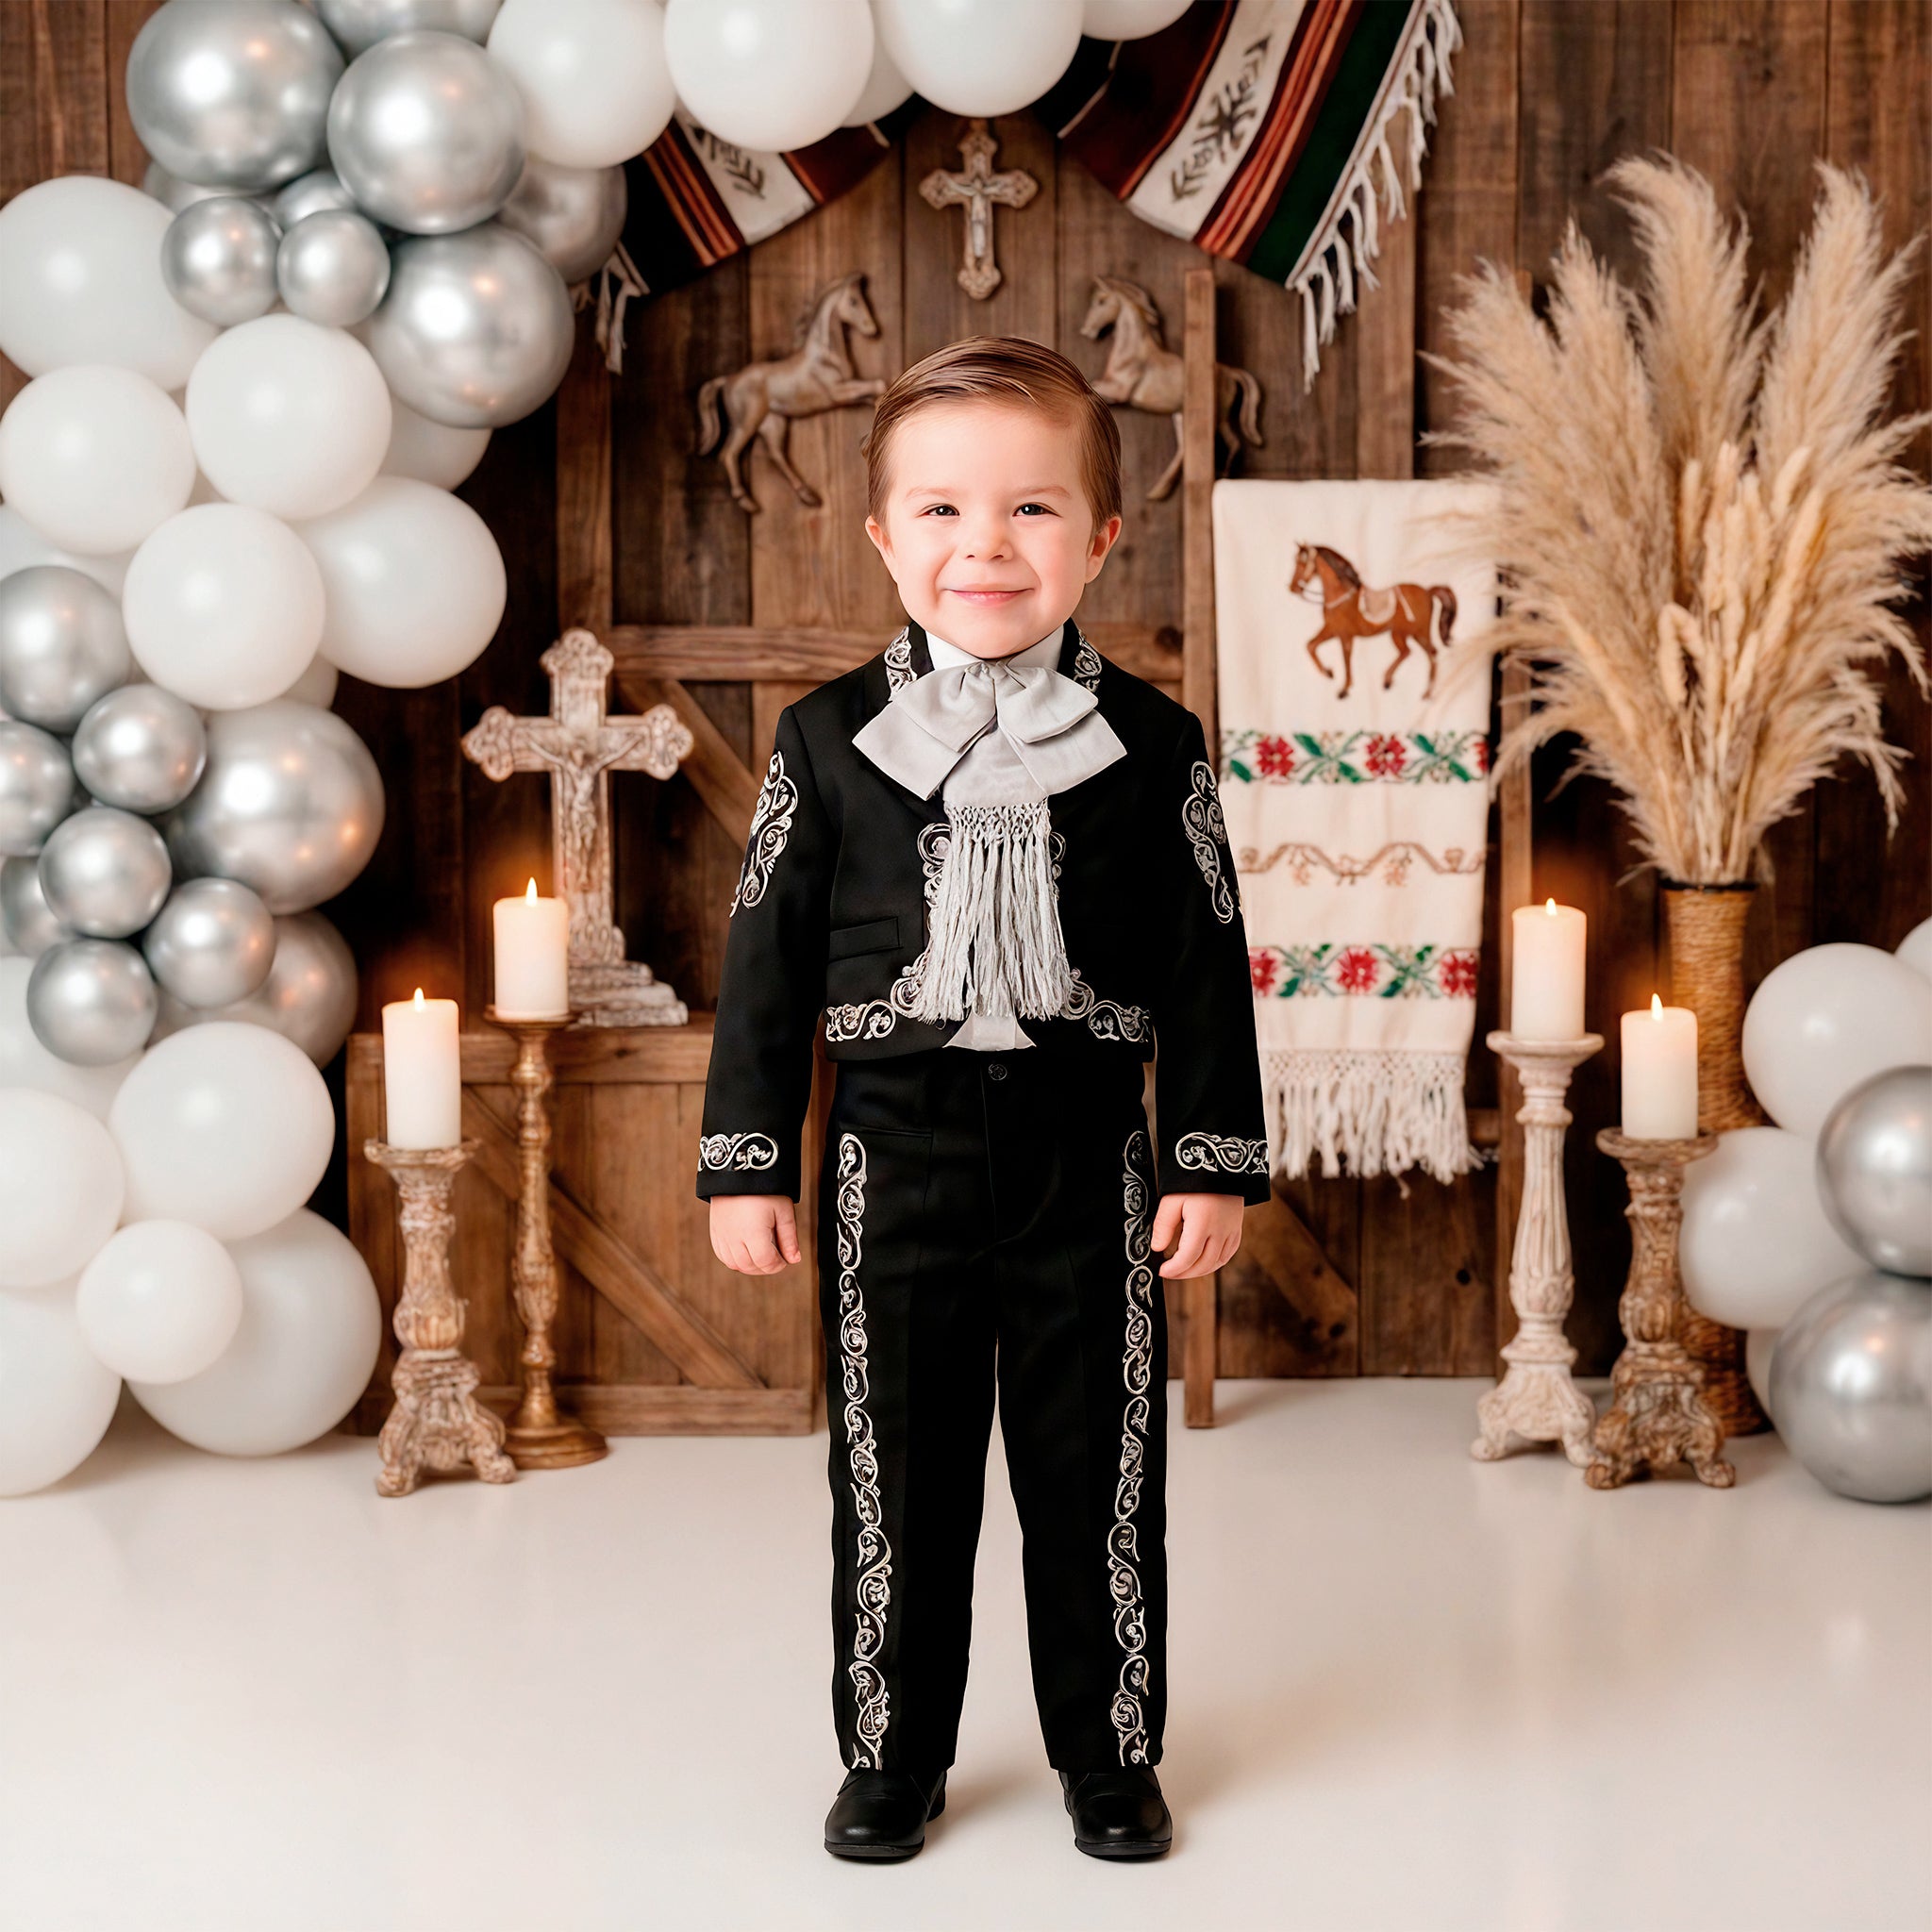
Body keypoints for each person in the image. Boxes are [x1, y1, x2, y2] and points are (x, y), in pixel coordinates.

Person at [696, 337, 1269, 1863]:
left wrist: (1207, 1159)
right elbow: (765, 961)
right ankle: (891, 1753)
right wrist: (748, 1162)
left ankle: (1110, 1751)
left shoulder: (1157, 745)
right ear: (885, 540)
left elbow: (1205, 960)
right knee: (897, 1471)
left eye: (1031, 508)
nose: (987, 547)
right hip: (894, 1160)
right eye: (942, 511)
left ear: (1102, 536)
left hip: (1092, 1157)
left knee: (1100, 1472)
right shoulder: (826, 739)